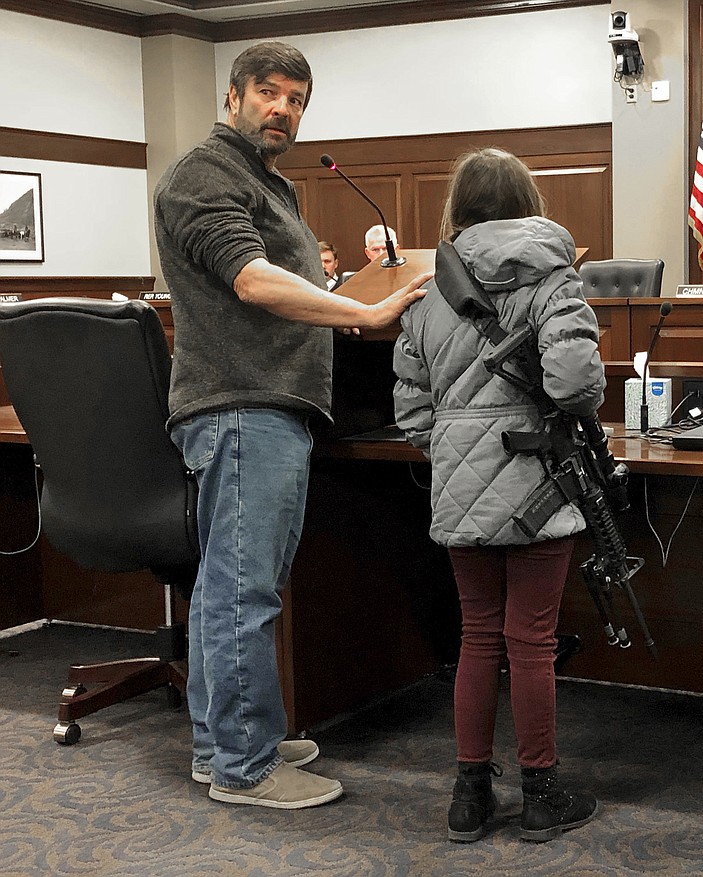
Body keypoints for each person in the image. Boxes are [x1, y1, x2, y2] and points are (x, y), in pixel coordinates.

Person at [153, 41, 429, 810]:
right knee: (245, 591)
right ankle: (246, 765)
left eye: (297, 99)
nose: (283, 109)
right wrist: (366, 309)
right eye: (269, 93)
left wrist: (341, 301)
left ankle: (226, 743)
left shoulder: (263, 181)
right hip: (242, 402)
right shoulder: (206, 173)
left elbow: (285, 279)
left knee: (227, 588)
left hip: (264, 402)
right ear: (232, 96)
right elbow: (251, 277)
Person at [393, 147, 603, 844]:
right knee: (532, 641)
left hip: (459, 489)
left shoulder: (429, 297)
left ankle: (469, 795)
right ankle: (541, 793)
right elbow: (574, 385)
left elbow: (412, 411)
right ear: (529, 203)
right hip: (540, 477)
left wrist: (456, 447)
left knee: (478, 636)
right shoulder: (554, 280)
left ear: (459, 209)